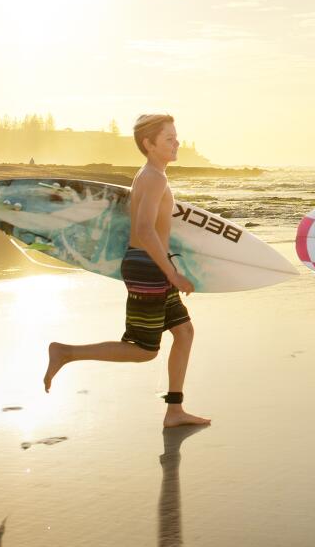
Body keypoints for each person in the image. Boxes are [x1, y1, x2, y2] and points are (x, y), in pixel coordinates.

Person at [42, 115, 211, 428]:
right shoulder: (154, 178)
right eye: (169, 139)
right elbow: (145, 230)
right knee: (144, 350)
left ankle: (175, 410)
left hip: (152, 264)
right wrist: (172, 273)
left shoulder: (149, 175)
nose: (177, 144)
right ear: (149, 145)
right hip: (149, 267)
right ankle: (66, 352)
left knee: (184, 332)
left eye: (176, 137)